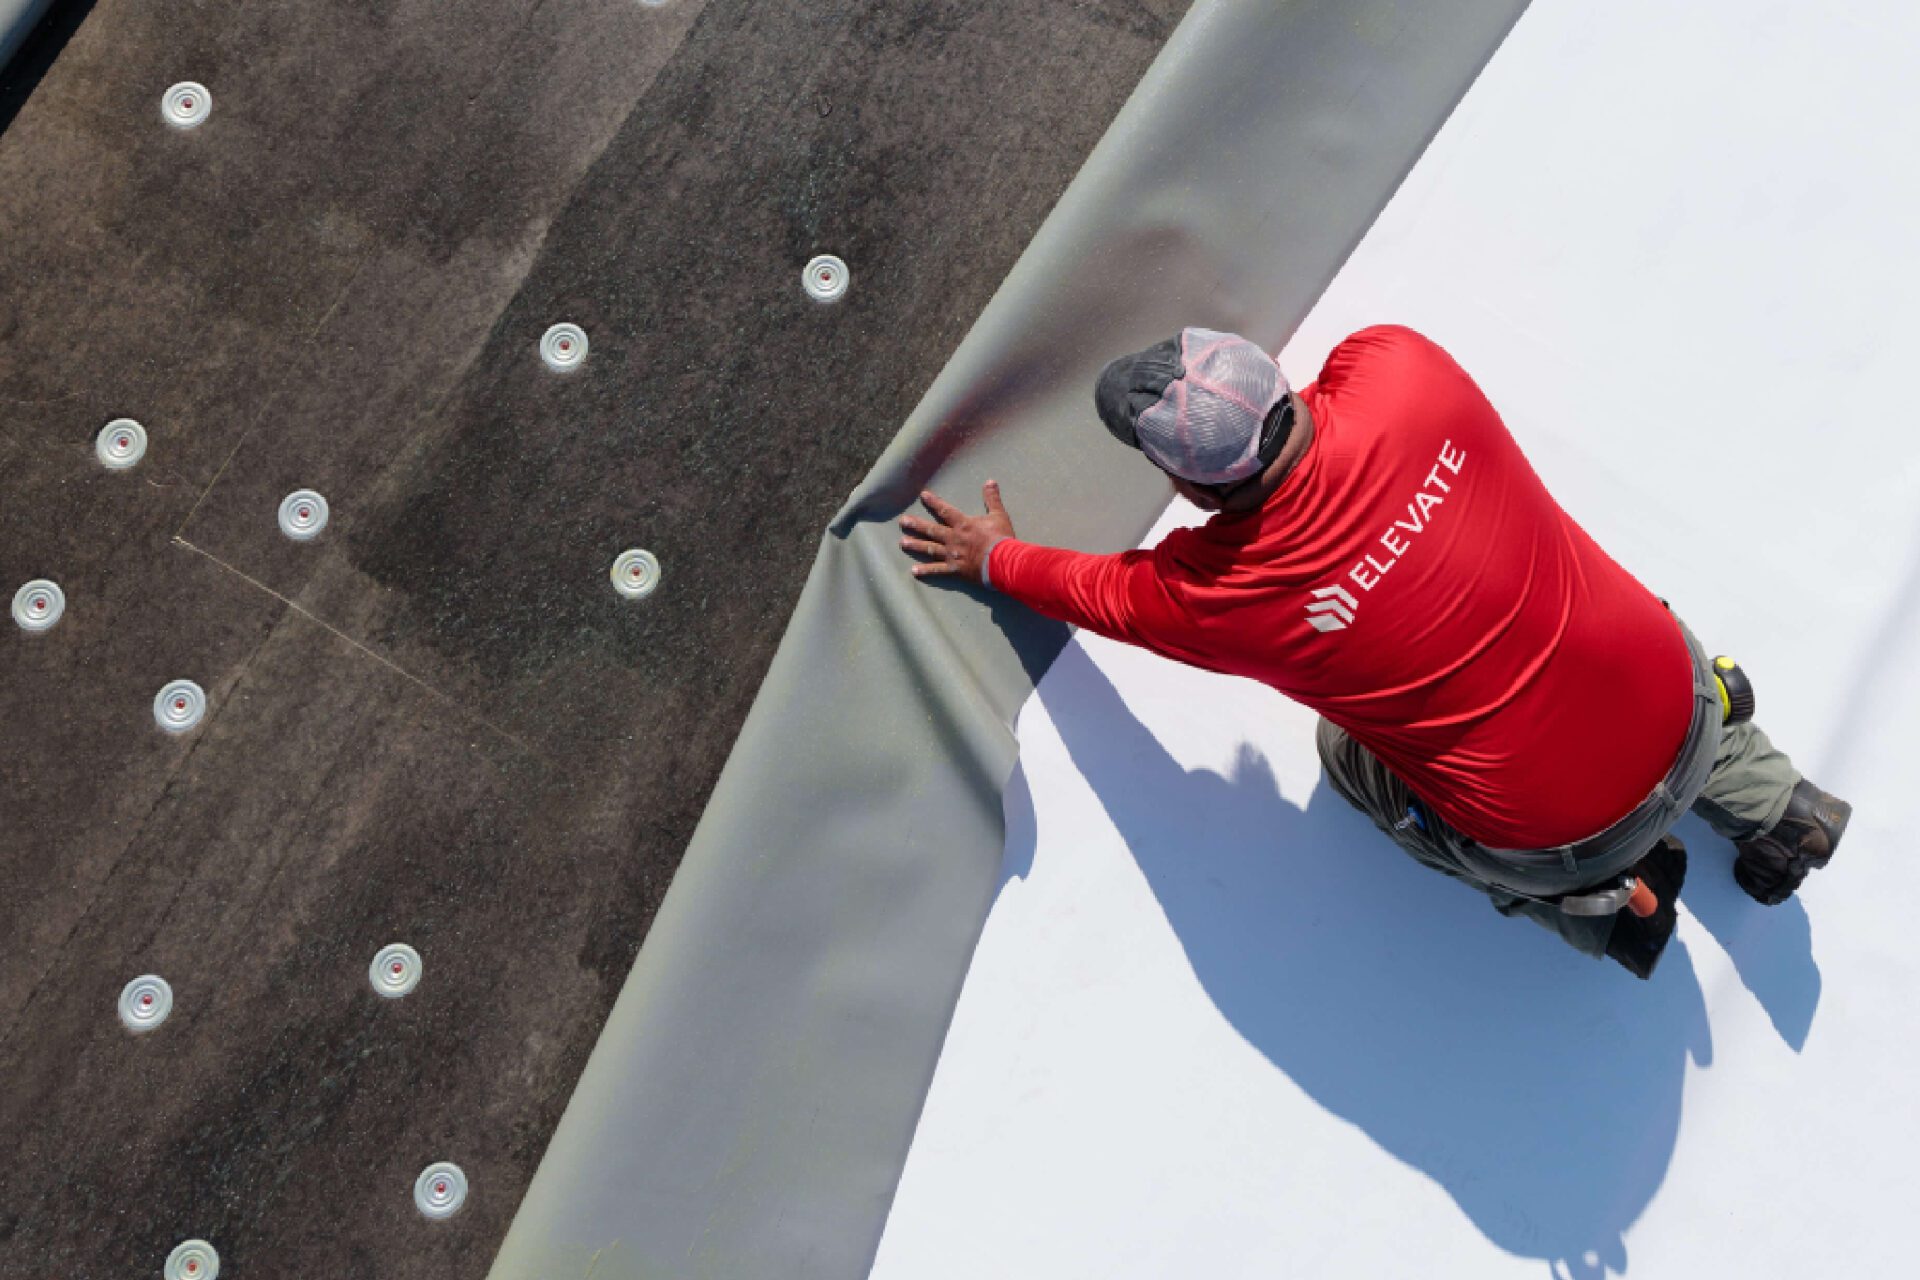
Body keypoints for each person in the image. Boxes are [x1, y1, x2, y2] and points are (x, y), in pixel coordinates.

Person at [899, 325, 1852, 978]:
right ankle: (1774, 802)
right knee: (1648, 695)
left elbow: (1093, 592)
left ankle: (1612, 906)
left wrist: (993, 556)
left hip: (1562, 838)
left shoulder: (1216, 597)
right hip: (1676, 692)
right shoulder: (1404, 371)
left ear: (1187, 491)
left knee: (1346, 757)